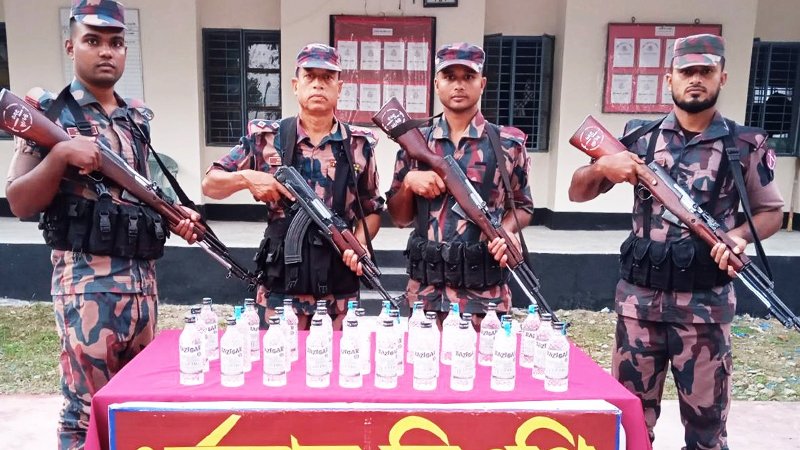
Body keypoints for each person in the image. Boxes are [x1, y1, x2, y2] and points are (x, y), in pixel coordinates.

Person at [568, 34, 784, 450]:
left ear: (723, 77)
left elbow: (771, 212)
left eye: (706, 71)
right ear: (669, 79)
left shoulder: (744, 145)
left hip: (705, 311)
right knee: (628, 427)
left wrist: (737, 237)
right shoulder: (640, 138)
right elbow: (578, 193)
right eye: (687, 72)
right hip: (638, 309)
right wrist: (602, 168)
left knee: (707, 434)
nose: (696, 79)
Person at [4, 2, 199, 449]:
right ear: (71, 46)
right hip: (86, 290)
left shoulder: (135, 120)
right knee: (84, 413)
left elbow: (140, 194)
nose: (106, 51)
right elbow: (18, 200)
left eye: (115, 43)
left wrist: (176, 215)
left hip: (142, 290)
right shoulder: (49, 114)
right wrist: (60, 154)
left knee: (134, 407)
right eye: (92, 41)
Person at [202, 43, 384, 330]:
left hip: (338, 289)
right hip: (282, 286)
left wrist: (359, 243)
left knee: (339, 357)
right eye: (310, 76)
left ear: (339, 88)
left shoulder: (358, 146)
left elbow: (372, 209)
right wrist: (247, 178)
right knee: (279, 357)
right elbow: (210, 184)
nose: (318, 85)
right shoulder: (265, 139)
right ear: (295, 85)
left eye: (327, 78)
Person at [385, 42, 533, 327]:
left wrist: (507, 231)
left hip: (484, 299)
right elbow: (400, 219)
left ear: (482, 84)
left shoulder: (507, 145)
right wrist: (408, 184)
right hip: (425, 297)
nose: (459, 85)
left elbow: (523, 207)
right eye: (450, 76)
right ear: (436, 84)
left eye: (468, 77)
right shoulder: (414, 143)